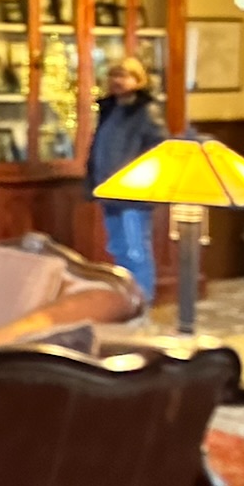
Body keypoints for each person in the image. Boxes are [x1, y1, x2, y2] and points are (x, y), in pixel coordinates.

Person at [87, 55, 168, 304]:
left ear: (138, 80)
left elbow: (159, 149)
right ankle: (127, 301)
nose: (117, 81)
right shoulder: (110, 109)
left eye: (124, 76)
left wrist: (137, 178)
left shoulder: (146, 112)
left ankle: (142, 303)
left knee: (136, 251)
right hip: (109, 190)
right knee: (119, 250)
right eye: (113, 75)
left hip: (133, 194)